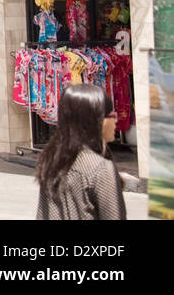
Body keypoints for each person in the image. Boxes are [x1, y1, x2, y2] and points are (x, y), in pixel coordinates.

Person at [36, 84, 127, 220]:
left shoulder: (51, 161)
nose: (116, 120)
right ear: (95, 121)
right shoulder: (101, 168)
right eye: (111, 115)